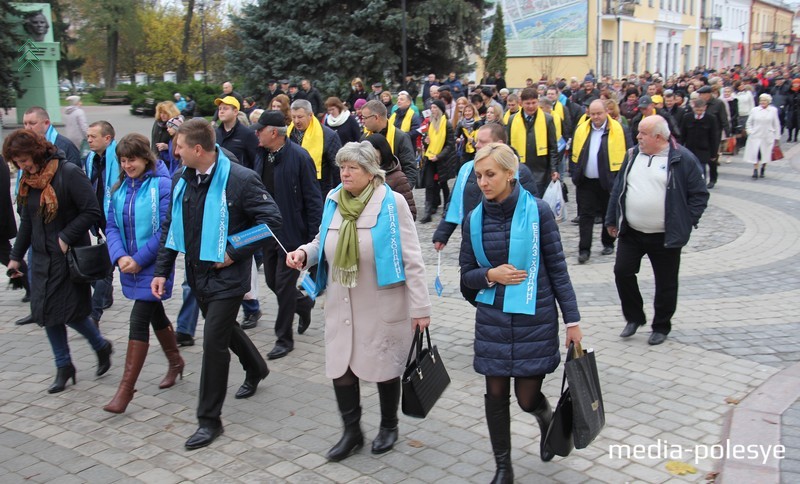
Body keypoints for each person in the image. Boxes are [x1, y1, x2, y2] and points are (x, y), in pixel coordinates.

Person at [286, 141, 431, 461]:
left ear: (370, 171)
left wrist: (421, 308)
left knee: (384, 368)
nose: (345, 173)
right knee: (341, 369)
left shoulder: (391, 204)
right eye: (342, 167)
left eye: (352, 167)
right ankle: (352, 432)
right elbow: (323, 240)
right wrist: (304, 254)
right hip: (341, 301)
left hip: (381, 302)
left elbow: (412, 258)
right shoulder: (334, 199)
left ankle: (389, 426)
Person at [152, 118, 279, 449]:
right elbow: (170, 225)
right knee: (223, 330)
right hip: (197, 275)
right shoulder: (182, 178)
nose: (173, 152)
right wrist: (162, 271)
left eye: (179, 147)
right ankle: (256, 367)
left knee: (213, 344)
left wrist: (234, 250)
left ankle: (209, 421)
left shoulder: (240, 179)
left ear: (197, 149)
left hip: (228, 278)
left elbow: (271, 221)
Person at [459, 143, 582, 480]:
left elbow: (557, 269)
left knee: (527, 398)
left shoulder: (539, 212)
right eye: (478, 176)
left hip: (534, 320)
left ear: (509, 174)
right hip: (493, 323)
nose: (483, 182)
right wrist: (489, 275)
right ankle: (503, 466)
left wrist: (573, 321)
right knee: (495, 395)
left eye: (490, 174)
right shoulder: (473, 219)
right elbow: (466, 277)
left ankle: (546, 419)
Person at [4, 129, 113, 393]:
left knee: (69, 313)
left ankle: (100, 345)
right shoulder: (29, 180)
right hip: (41, 257)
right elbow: (28, 221)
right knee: (46, 313)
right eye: (17, 162)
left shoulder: (68, 172)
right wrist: (15, 258)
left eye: (24, 159)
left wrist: (65, 236)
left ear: (36, 151)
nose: (22, 166)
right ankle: (64, 365)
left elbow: (91, 211)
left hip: (67, 256)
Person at [606, 116, 709, 346]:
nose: (638, 137)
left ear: (659, 137)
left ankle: (661, 326)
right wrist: (612, 219)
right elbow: (618, 189)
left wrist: (686, 220)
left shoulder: (683, 159)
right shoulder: (633, 155)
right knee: (622, 272)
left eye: (643, 133)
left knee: (666, 282)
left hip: (665, 235)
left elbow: (699, 195)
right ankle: (634, 317)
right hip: (632, 232)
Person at [103, 133, 183, 414]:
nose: (127, 165)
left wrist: (138, 260)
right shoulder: (120, 187)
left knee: (139, 318)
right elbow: (111, 226)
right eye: (123, 161)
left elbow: (165, 228)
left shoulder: (162, 185)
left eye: (132, 159)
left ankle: (125, 390)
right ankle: (176, 362)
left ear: (145, 158)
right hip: (130, 264)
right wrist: (121, 256)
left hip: (154, 264)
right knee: (155, 313)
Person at [251, 111, 322, 360]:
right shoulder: (261, 154)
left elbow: (314, 200)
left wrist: (315, 239)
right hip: (267, 232)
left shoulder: (300, 158)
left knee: (283, 285)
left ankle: (284, 339)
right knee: (272, 282)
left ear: (273, 132)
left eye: (260, 129)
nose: (256, 133)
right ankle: (303, 305)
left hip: (292, 235)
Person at [570, 100, 629, 264]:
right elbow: (574, 155)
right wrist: (575, 175)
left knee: (607, 214)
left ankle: (608, 243)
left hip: (609, 180)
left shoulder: (619, 130)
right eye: (593, 113)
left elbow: (629, 153)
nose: (596, 117)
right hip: (586, 181)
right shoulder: (582, 129)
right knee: (585, 216)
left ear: (606, 112)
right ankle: (584, 250)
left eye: (599, 113)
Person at [85, 121, 120, 325]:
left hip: (115, 219)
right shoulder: (91, 158)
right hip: (98, 219)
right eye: (88, 136)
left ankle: (94, 314)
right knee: (101, 267)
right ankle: (105, 296)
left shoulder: (119, 157)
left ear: (107, 138)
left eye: (93, 136)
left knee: (104, 267)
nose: (88, 140)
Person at [507, 88, 559, 197]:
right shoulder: (512, 119)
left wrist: (554, 169)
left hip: (540, 169)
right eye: (528, 103)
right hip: (520, 166)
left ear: (538, 102)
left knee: (537, 199)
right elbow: (508, 145)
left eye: (534, 103)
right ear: (521, 103)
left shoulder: (547, 119)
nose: (531, 106)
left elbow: (553, 147)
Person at [288, 99, 343, 197]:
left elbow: (337, 168)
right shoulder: (288, 134)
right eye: (293, 117)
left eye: (300, 117)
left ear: (310, 115)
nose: (296, 121)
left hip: (320, 190)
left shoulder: (328, 135)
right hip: (294, 190)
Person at [360, 100, 418, 187]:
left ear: (376, 117)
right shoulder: (364, 138)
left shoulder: (400, 137)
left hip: (394, 191)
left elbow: (410, 168)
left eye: (365, 118)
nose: (362, 121)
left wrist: (404, 190)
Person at [419, 99, 457, 224]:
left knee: (443, 184)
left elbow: (450, 145)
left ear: (440, 109)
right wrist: (426, 141)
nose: (433, 110)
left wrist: (439, 156)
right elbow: (426, 141)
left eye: (435, 108)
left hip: (443, 160)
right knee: (429, 185)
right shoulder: (430, 123)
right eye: (432, 108)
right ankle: (428, 212)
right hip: (430, 158)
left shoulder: (446, 124)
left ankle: (447, 208)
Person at [364, 133, 417, 219]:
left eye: (370, 151)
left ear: (381, 151)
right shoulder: (363, 175)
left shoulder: (398, 177)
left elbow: (410, 213)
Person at [679, 99, 721, 188]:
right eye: (697, 110)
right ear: (693, 108)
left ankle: (701, 185)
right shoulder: (687, 117)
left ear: (705, 108)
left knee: (701, 168)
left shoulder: (711, 118)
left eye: (701, 110)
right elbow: (682, 134)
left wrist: (714, 154)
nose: (699, 112)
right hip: (690, 148)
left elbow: (714, 137)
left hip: (704, 149)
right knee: (690, 168)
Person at [745, 93, 781, 179]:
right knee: (756, 153)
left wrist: (777, 137)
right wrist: (750, 131)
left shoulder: (773, 110)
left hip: (767, 135)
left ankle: (763, 168)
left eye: (764, 100)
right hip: (756, 135)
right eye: (761, 100)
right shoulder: (754, 110)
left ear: (768, 101)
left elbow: (776, 124)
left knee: (765, 153)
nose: (763, 102)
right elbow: (749, 123)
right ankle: (755, 169)